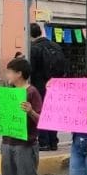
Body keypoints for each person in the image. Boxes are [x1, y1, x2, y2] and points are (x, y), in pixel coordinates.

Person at [28, 23, 66, 151]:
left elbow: (30, 70)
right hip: (55, 84)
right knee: (52, 112)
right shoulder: (55, 45)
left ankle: (43, 142)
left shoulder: (33, 48)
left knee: (41, 112)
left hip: (39, 85)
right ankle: (53, 142)